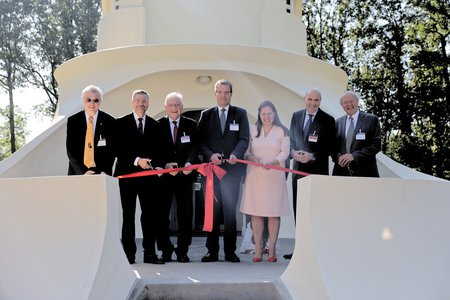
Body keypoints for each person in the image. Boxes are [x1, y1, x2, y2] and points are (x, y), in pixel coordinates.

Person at [198, 79, 250, 263]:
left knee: (229, 212)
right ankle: (211, 252)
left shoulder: (240, 113)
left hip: (232, 171)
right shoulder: (206, 115)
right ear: (215, 94)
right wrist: (210, 155)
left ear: (231, 94)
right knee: (212, 212)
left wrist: (236, 154)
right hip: (211, 172)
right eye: (220, 92)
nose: (223, 95)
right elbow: (200, 141)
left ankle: (230, 252)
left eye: (226, 92)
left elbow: (244, 138)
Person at [113, 89, 165, 265]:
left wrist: (158, 165)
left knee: (149, 216)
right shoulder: (120, 123)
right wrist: (137, 160)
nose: (141, 104)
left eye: (144, 101)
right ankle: (129, 255)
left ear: (148, 104)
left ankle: (150, 253)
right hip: (126, 176)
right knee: (128, 215)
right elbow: (117, 149)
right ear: (132, 103)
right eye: (138, 100)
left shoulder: (156, 125)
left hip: (148, 179)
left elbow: (160, 151)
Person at [285, 88, 335, 259]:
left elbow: (330, 148)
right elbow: (291, 141)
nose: (313, 103)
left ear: (320, 101)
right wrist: (292, 153)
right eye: (310, 99)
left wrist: (312, 156)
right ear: (304, 99)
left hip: (317, 171)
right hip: (297, 169)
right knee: (299, 210)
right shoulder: (296, 116)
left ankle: (315, 251)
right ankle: (299, 251)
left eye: (317, 100)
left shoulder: (328, 120)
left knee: (314, 211)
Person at [240, 100, 290, 263]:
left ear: (274, 114)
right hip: (256, 175)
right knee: (256, 213)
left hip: (275, 176)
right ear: (259, 115)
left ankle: (272, 248)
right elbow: (246, 152)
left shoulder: (282, 131)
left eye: (269, 113)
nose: (266, 117)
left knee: (273, 213)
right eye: (263, 114)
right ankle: (258, 249)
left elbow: (285, 152)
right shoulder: (252, 130)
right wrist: (253, 158)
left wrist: (274, 162)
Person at [157, 92, 198, 263]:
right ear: (165, 107)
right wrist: (165, 165)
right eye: (171, 105)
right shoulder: (157, 125)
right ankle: (165, 249)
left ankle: (182, 250)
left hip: (184, 177)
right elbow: (154, 149)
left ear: (182, 107)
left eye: (177, 105)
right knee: (162, 214)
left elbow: (194, 148)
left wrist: (189, 164)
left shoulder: (191, 124)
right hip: (164, 178)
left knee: (185, 214)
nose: (174, 108)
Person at [66, 85, 115, 175]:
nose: (92, 103)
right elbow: (71, 150)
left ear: (100, 101)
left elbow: (111, 151)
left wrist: (104, 171)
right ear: (83, 100)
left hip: (101, 174)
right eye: (88, 100)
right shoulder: (73, 121)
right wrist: (83, 172)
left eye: (96, 100)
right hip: (78, 173)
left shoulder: (110, 121)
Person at [332, 91, 381, 177]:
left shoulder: (371, 120)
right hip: (341, 173)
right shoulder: (337, 123)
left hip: (365, 173)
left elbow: (376, 145)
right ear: (342, 105)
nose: (349, 104)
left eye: (351, 101)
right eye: (345, 102)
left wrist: (354, 156)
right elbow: (332, 147)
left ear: (357, 102)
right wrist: (338, 157)